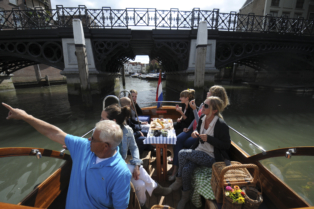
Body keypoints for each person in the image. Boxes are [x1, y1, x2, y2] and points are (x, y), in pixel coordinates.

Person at [2, 102, 131, 209]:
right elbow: (54, 133)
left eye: (93, 139)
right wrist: (25, 116)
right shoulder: (84, 147)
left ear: (105, 146)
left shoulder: (121, 173)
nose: (89, 140)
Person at [102, 104, 171, 209]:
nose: (100, 121)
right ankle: (156, 188)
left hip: (121, 165)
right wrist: (136, 166)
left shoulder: (126, 130)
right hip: (108, 169)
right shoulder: (100, 133)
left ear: (114, 121)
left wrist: (137, 166)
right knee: (141, 172)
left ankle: (142, 206)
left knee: (140, 185)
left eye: (103, 119)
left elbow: (134, 148)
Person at [169, 96, 231, 209]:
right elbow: (197, 128)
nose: (202, 107)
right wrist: (195, 133)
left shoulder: (221, 125)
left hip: (211, 157)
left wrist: (210, 139)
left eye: (206, 106)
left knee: (182, 153)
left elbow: (226, 145)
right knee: (187, 169)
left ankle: (179, 179)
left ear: (215, 110)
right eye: (203, 104)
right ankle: (185, 196)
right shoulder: (203, 117)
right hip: (199, 150)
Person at [169, 85, 230, 181]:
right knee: (178, 140)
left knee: (182, 148)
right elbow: (197, 121)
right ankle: (176, 169)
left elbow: (226, 145)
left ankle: (176, 173)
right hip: (195, 134)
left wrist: (193, 110)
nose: (207, 92)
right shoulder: (204, 111)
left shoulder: (219, 123)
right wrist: (191, 129)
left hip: (208, 152)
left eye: (209, 91)